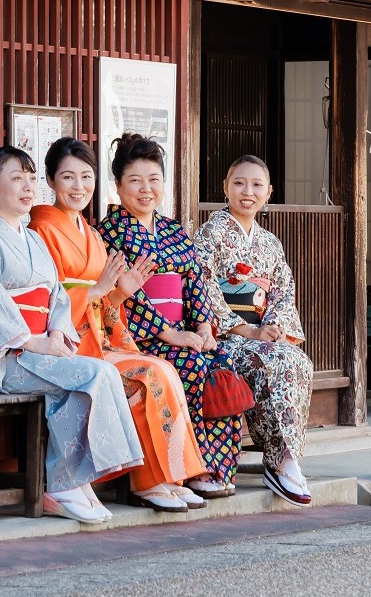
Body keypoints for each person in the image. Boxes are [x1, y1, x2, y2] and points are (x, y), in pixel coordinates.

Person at [0, 146, 144, 523]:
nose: (28, 186)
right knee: (91, 375)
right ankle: (61, 484)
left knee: (101, 373)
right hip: (0, 356)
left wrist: (59, 336)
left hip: (40, 348)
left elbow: (57, 298)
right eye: (17, 178)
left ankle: (75, 479)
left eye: (31, 179)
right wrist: (32, 341)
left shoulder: (31, 239)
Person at [29, 137, 208, 512]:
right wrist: (99, 290)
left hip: (95, 333)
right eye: (68, 177)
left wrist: (117, 293)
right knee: (152, 372)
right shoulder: (43, 230)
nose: (79, 187)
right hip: (67, 343)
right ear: (49, 180)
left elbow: (104, 298)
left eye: (85, 177)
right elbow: (46, 301)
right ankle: (151, 480)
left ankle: (167, 477)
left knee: (163, 370)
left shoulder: (90, 234)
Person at [97, 133, 241, 498]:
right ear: (117, 185)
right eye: (135, 180)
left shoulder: (174, 230)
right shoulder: (109, 232)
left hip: (185, 331)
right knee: (190, 367)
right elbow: (129, 295)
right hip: (140, 336)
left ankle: (216, 464)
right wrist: (169, 334)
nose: (145, 189)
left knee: (221, 365)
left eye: (153, 180)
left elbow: (196, 280)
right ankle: (189, 469)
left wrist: (204, 327)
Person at [194, 156, 316, 506]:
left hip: (260, 332)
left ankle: (286, 460)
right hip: (224, 336)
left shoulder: (270, 242)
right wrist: (242, 328)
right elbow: (202, 283)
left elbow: (282, 290)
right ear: (225, 188)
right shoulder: (211, 231)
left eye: (256, 185)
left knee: (297, 361)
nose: (247, 192)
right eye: (239, 183)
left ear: (269, 192)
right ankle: (281, 463)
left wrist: (273, 326)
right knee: (272, 362)